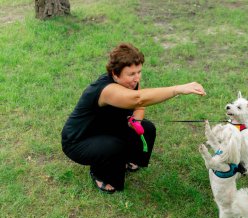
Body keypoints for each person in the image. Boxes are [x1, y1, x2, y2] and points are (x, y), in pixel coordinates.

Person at [61, 43, 206, 194]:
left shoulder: (131, 82)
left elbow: (139, 107)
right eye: (131, 74)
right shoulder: (106, 90)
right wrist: (177, 89)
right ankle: (99, 173)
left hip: (104, 128)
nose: (137, 78)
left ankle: (127, 160)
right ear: (115, 74)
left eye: (139, 72)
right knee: (113, 145)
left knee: (146, 128)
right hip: (78, 140)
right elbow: (138, 99)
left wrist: (136, 120)